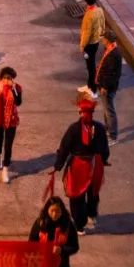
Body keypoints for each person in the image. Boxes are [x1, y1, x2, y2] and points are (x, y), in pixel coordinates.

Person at [54, 98, 111, 234]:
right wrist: (104, 159)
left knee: (77, 196)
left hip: (78, 166)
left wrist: (58, 164)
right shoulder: (99, 128)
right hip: (94, 164)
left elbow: (64, 148)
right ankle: (91, 213)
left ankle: (80, 224)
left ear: (80, 112)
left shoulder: (73, 129)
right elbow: (104, 147)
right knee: (93, 192)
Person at [0, 67, 23, 184]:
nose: (6, 80)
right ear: (1, 78)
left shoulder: (16, 88)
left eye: (9, 78)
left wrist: (13, 90)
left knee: (8, 145)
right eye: (5, 78)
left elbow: (18, 102)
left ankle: (5, 169)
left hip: (11, 120)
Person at [94, 30, 121, 145]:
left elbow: (112, 74)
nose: (102, 40)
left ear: (108, 40)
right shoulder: (110, 49)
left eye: (104, 39)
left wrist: (104, 86)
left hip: (107, 88)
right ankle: (107, 129)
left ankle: (113, 136)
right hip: (103, 85)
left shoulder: (114, 54)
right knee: (106, 109)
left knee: (109, 111)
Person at [79, 0, 105, 91]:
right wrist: (101, 34)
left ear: (87, 2)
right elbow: (103, 23)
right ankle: (90, 85)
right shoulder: (99, 10)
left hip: (89, 44)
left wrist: (82, 45)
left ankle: (92, 88)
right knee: (91, 63)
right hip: (96, 41)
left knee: (90, 65)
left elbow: (86, 32)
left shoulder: (89, 15)